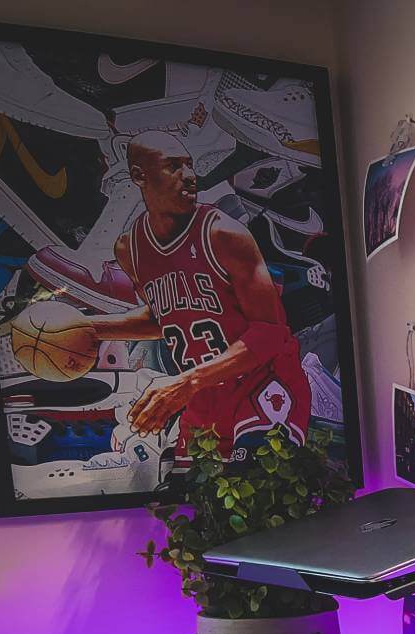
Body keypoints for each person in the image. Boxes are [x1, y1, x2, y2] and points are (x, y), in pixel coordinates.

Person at [84, 130, 310, 460]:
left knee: (256, 489)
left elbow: (271, 333)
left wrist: (184, 383)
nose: (189, 176)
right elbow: (164, 316)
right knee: (187, 502)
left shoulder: (224, 234)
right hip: (205, 394)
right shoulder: (129, 249)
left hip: (262, 381)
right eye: (173, 166)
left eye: (189, 165)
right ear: (139, 176)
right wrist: (92, 329)